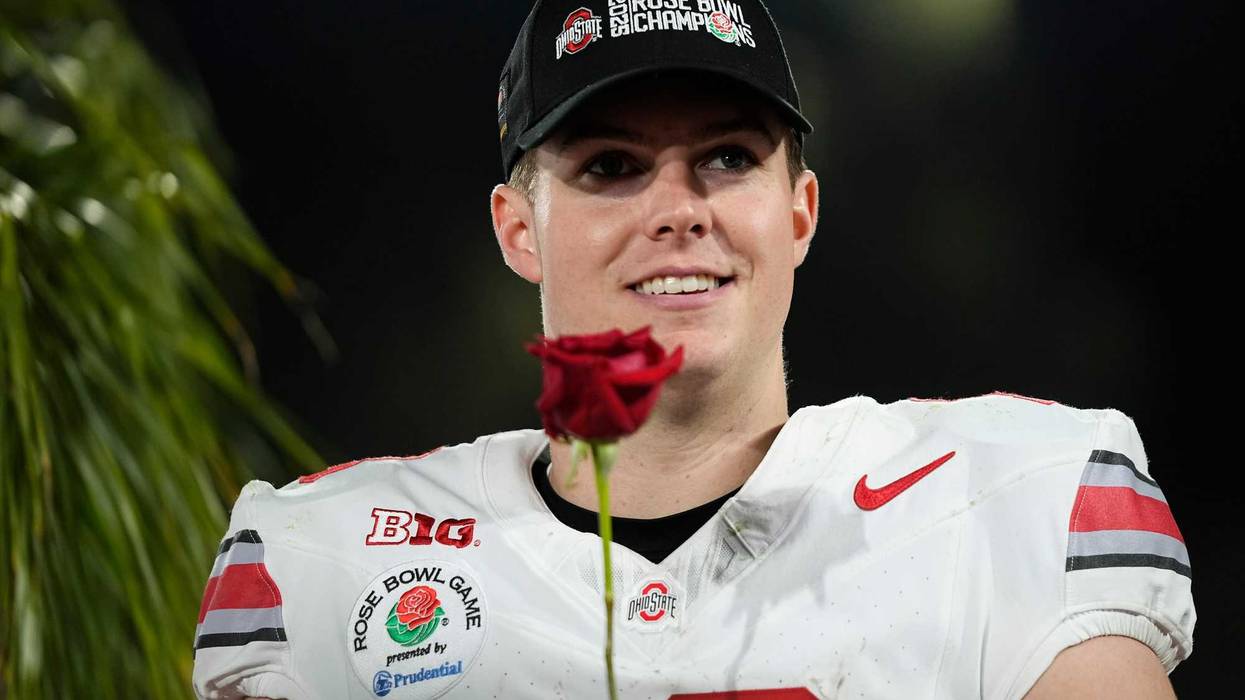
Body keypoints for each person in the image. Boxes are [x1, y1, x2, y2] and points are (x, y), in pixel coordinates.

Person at [192, 1, 1194, 698]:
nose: (678, 210)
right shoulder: (326, 555)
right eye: (613, 166)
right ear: (518, 229)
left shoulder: (1013, 494)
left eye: (725, 156)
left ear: (798, 212)